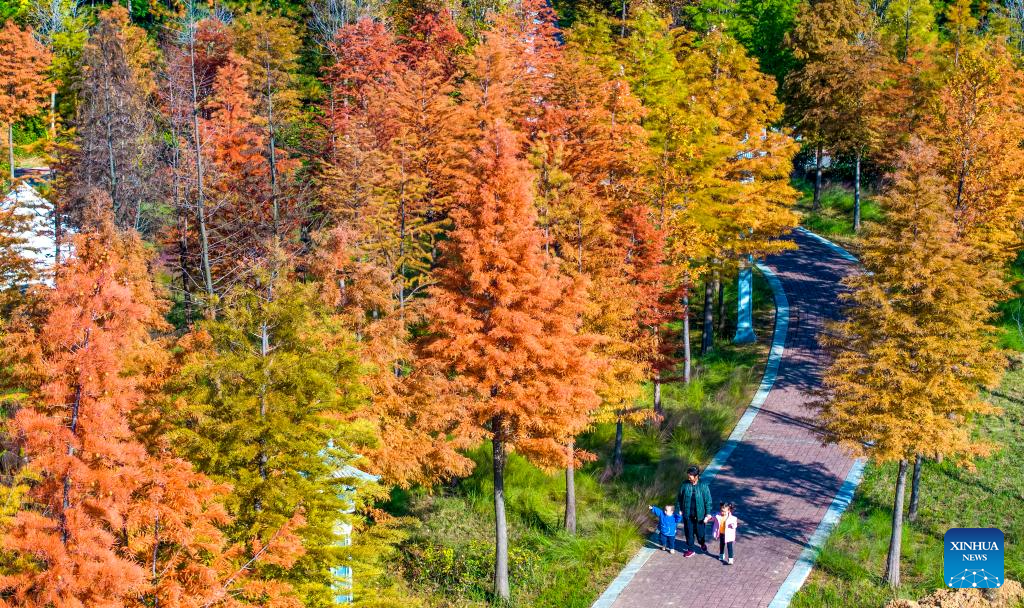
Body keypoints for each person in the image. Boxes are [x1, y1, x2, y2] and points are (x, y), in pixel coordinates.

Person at [677, 465, 713, 557]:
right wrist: (680, 508)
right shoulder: (685, 485)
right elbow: (680, 498)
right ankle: (691, 549)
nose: (688, 478)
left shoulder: (703, 486)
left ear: (696, 476)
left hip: (700, 515)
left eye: (690, 476)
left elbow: (708, 501)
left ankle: (702, 543)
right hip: (688, 514)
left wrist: (708, 513)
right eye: (688, 476)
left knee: (700, 534)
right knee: (689, 532)